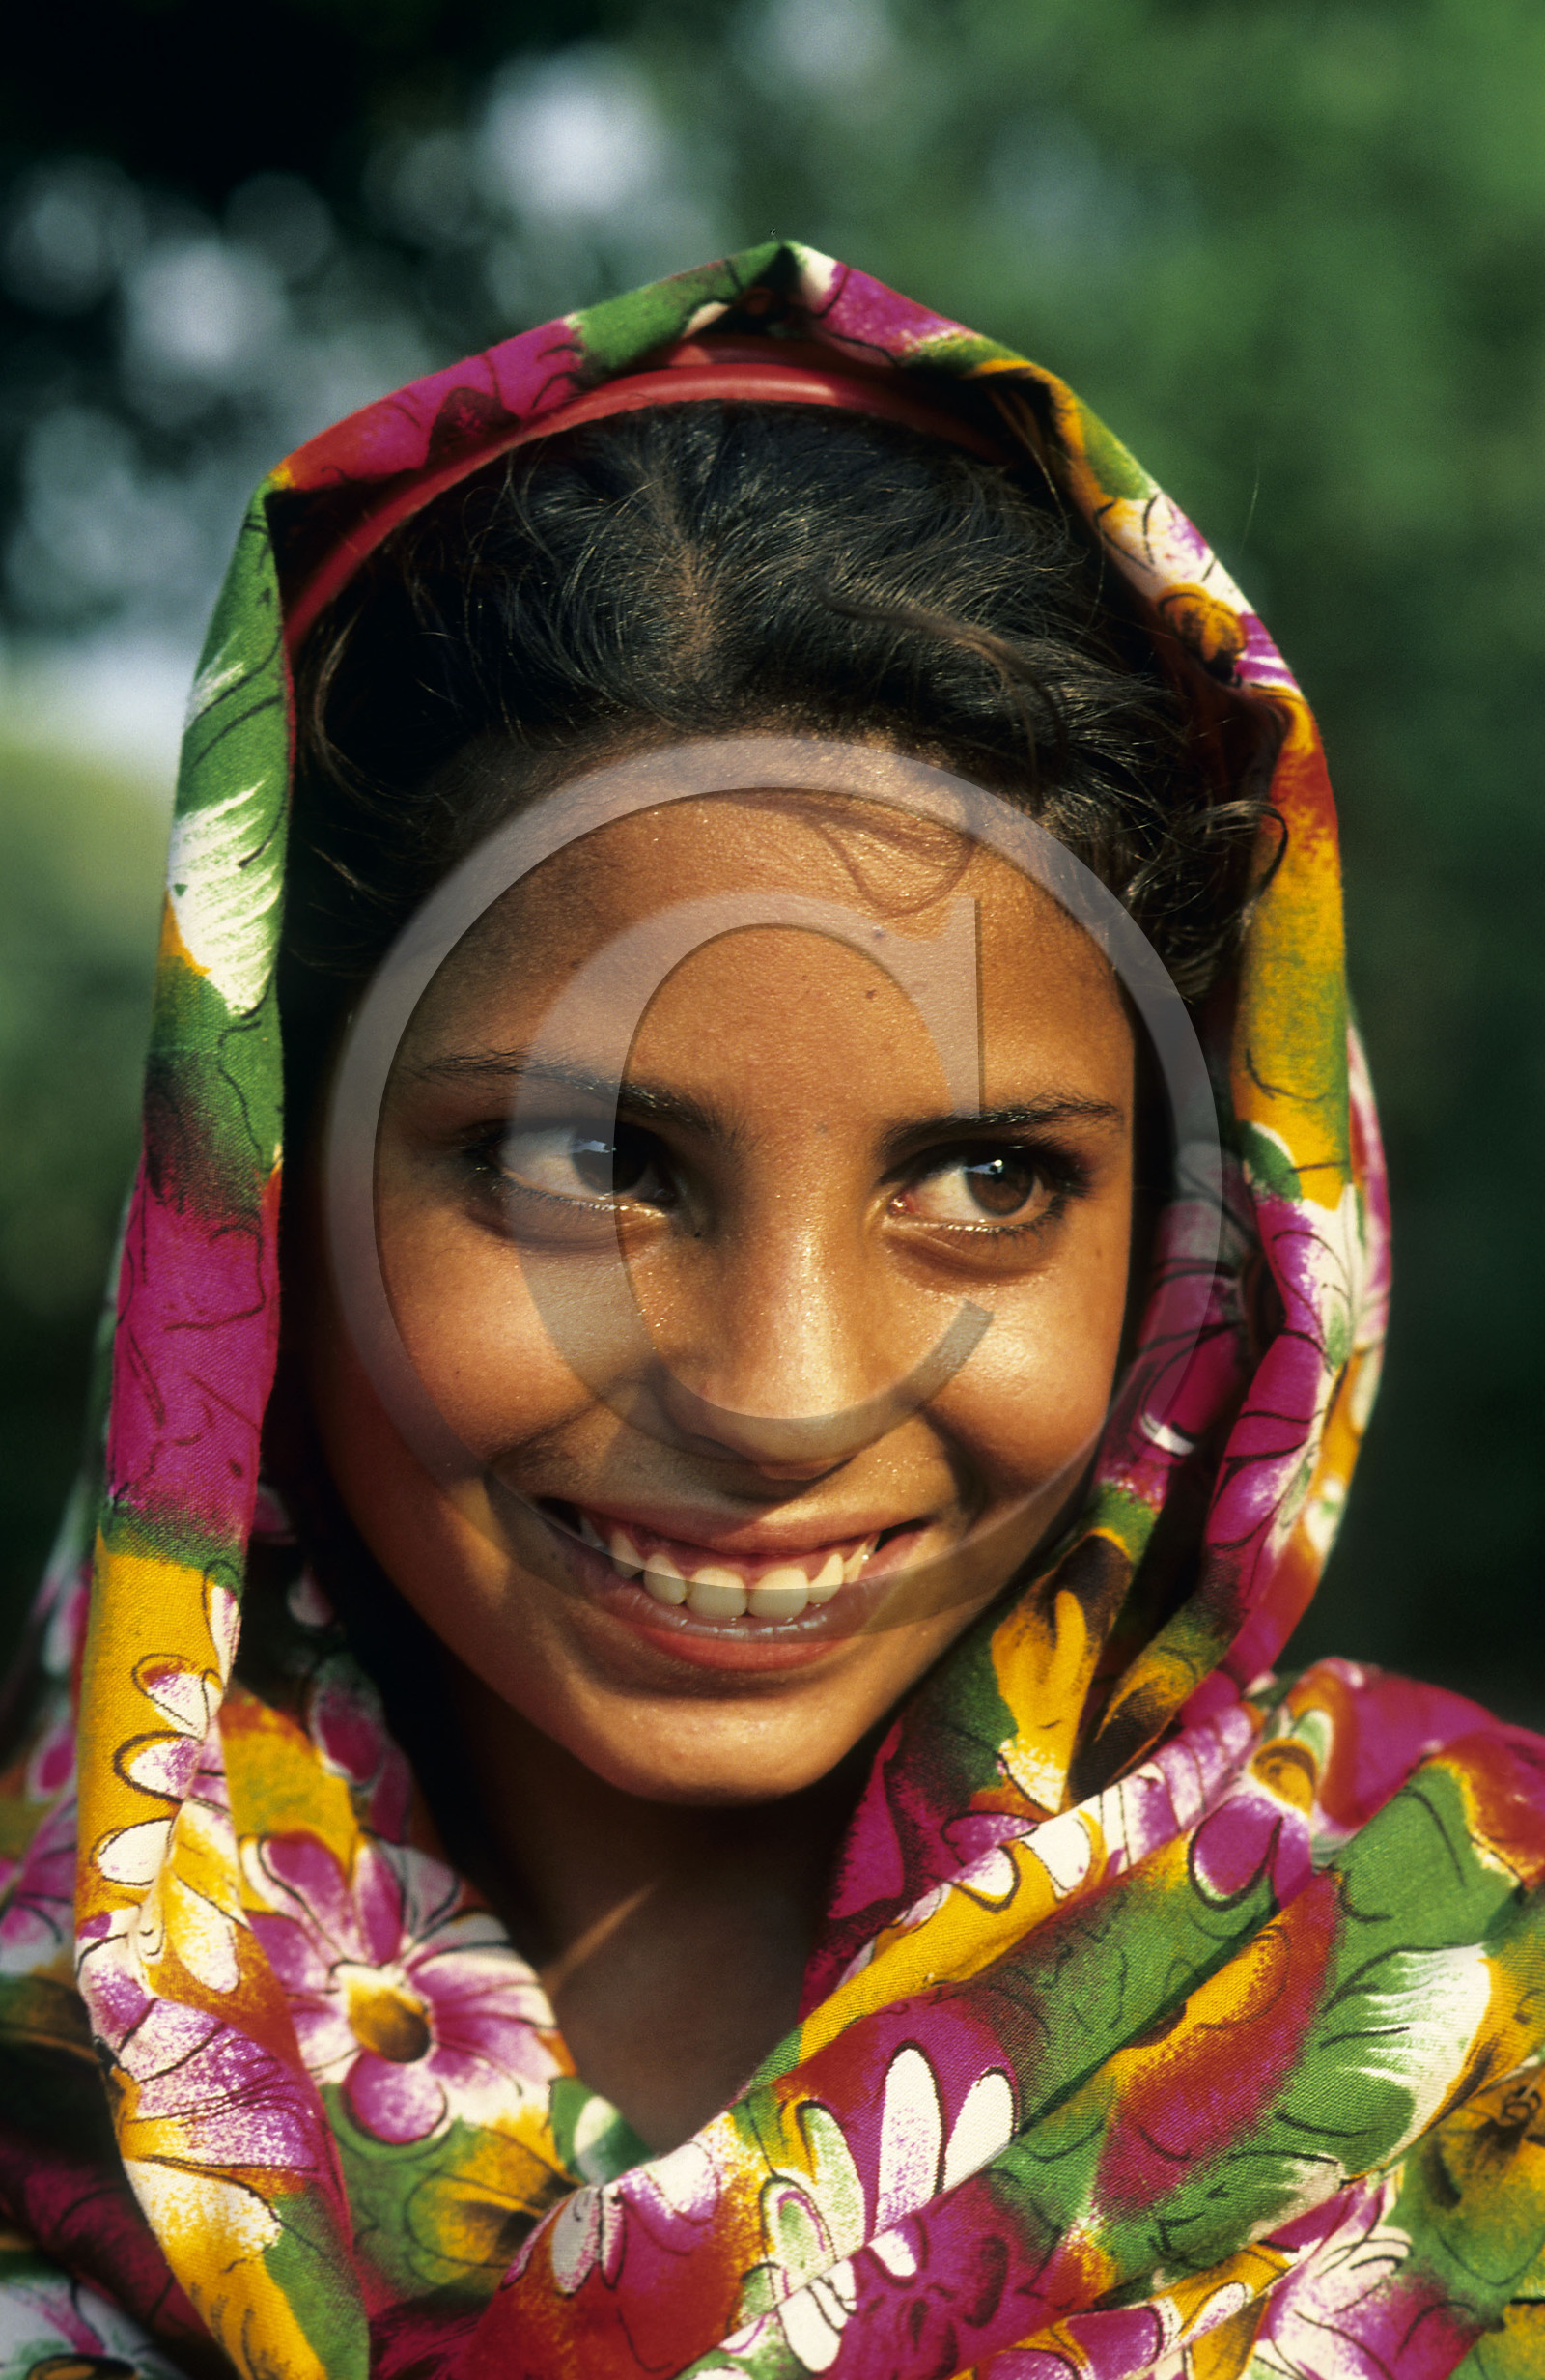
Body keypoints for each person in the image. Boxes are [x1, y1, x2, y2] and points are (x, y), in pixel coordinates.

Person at [0, 241, 1540, 2380]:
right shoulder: (45, 2078)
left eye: (986, 1181)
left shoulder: (1487, 2023)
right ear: (256, 1185)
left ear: (1202, 1249)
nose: (785, 1392)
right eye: (580, 1162)